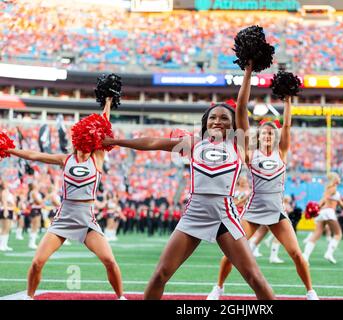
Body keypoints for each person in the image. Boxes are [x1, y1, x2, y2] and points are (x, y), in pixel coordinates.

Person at [103, 62, 275, 300]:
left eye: (224, 118)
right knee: (160, 274)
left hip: (225, 214)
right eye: (213, 117)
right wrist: (115, 142)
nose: (217, 121)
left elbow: (242, 106)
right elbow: (153, 142)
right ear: (205, 122)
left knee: (254, 277)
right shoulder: (193, 143)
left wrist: (247, 72)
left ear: (233, 124)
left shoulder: (239, 143)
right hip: (194, 213)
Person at [206, 70, 317, 300]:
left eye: (271, 134)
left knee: (296, 253)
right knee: (231, 253)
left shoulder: (282, 153)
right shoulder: (251, 154)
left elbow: (286, 127)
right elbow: (242, 120)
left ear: (275, 138)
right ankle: (218, 288)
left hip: (276, 212)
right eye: (264, 133)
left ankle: (310, 291)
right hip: (253, 211)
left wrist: (287, 100)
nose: (267, 136)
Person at [6, 97, 125, 300]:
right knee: (37, 261)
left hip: (87, 220)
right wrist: (9, 149)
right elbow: (34, 155)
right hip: (64, 218)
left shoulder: (97, 158)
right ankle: (29, 296)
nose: (89, 146)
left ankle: (121, 297)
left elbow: (103, 125)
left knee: (110, 261)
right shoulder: (65, 159)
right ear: (78, 141)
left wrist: (107, 103)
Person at [303, 172, 343, 264]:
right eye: (339, 177)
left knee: (316, 234)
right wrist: (316, 207)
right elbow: (324, 198)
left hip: (324, 213)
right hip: (328, 212)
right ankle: (329, 253)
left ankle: (305, 255)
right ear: (335, 179)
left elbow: (340, 203)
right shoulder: (332, 188)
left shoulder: (333, 189)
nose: (340, 179)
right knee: (338, 234)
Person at [0, 180, 16, 251]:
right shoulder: (3, 192)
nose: (7, 184)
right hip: (5, 210)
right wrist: (5, 210)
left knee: (8, 229)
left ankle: (5, 245)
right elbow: (4, 202)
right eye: (6, 183)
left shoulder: (9, 192)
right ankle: (1, 245)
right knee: (4, 228)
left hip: (10, 210)